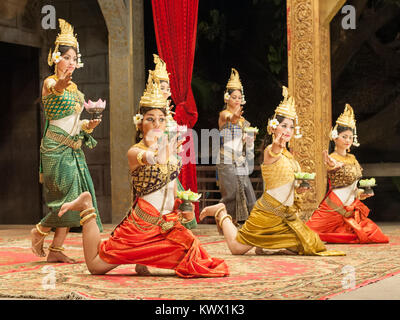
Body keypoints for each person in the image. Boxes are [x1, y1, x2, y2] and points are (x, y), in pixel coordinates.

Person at [57, 71, 229, 278]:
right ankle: (86, 207)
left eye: (161, 119)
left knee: (198, 260)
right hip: (141, 225)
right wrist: (163, 151)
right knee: (95, 266)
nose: (157, 124)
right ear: (140, 123)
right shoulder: (135, 152)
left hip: (167, 225)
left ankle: (142, 261)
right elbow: (152, 158)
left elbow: (173, 189)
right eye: (150, 119)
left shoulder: (172, 154)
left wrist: (184, 207)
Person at [200, 86, 345, 257]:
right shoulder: (271, 150)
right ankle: (221, 212)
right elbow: (274, 150)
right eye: (283, 126)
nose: (287, 131)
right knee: (237, 249)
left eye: (291, 127)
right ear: (274, 127)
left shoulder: (290, 157)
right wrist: (277, 143)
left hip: (285, 217)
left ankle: (268, 245)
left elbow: (289, 185)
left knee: (312, 244)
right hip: (267, 213)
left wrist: (300, 189)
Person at [30, 19, 103, 263]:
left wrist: (87, 126)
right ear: (55, 57)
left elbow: (74, 122)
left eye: (74, 58)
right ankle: (40, 229)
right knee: (68, 198)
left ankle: (56, 250)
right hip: (55, 148)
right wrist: (61, 82)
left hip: (72, 148)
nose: (71, 63)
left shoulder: (75, 89)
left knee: (74, 197)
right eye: (67, 57)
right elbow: (55, 87)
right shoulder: (51, 83)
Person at [306, 104, 389, 244]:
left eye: (350, 137)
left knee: (374, 235)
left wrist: (361, 193)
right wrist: (333, 166)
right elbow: (331, 167)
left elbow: (353, 185)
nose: (347, 140)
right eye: (344, 136)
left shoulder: (352, 158)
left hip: (351, 207)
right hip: (334, 206)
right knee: (307, 234)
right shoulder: (332, 158)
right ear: (335, 137)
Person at [216, 68, 257, 225]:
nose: (237, 100)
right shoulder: (224, 115)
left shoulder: (243, 120)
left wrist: (249, 140)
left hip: (239, 158)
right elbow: (230, 118)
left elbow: (245, 141)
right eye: (234, 97)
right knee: (231, 193)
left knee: (246, 191)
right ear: (227, 98)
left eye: (239, 97)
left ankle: (249, 223)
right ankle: (223, 221)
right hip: (226, 158)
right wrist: (234, 116)